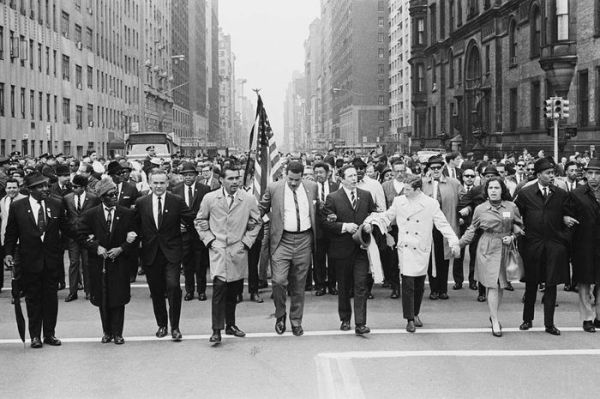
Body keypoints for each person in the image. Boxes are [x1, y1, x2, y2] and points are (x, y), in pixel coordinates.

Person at [195, 165, 262, 344]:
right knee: (219, 288)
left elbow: (257, 222)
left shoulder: (248, 199)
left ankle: (230, 325)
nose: (235, 182)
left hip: (237, 250)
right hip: (217, 250)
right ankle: (216, 329)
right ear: (221, 180)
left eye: (237, 178)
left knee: (234, 290)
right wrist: (209, 240)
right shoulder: (210, 198)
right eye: (231, 179)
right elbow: (200, 220)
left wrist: (246, 242)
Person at [385, 175, 460, 332]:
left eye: (407, 189)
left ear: (418, 189)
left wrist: (453, 241)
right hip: (405, 248)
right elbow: (387, 217)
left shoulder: (431, 204)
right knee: (407, 283)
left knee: (419, 285)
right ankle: (409, 318)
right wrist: (374, 221)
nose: (404, 192)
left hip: (421, 248)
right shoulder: (399, 201)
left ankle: (416, 313)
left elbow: (442, 224)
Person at [4, 173, 67, 348]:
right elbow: (11, 233)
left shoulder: (56, 204)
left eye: (46, 185)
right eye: (40, 187)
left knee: (50, 299)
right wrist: (8, 253)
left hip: (51, 261)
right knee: (33, 299)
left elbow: (67, 229)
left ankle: (49, 334)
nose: (45, 189)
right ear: (31, 190)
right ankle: (35, 336)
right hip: (29, 261)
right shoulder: (18, 207)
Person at [134, 169, 195, 341]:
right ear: (150, 184)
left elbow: (191, 218)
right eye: (155, 183)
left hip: (172, 252)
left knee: (174, 287)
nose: (159, 186)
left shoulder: (176, 201)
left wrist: (186, 230)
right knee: (156, 291)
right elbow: (135, 224)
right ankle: (162, 325)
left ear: (167, 184)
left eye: (162, 183)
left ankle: (175, 327)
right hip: (151, 253)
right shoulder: (141, 202)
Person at [259, 161, 319, 336]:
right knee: (278, 281)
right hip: (281, 240)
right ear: (285, 174)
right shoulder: (274, 188)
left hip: (304, 240)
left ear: (302, 177)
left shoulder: (312, 187)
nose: (293, 183)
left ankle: (296, 321)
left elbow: (319, 209)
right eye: (291, 179)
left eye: (297, 180)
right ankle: (280, 314)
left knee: (299, 285)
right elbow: (262, 208)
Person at [459, 177, 524, 337]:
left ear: (502, 190)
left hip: (504, 247)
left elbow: (519, 226)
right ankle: (495, 320)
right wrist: (458, 244)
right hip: (486, 247)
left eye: (497, 188)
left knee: (500, 284)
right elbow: (472, 229)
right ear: (486, 191)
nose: (493, 191)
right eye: (490, 188)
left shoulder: (511, 206)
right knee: (492, 284)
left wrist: (513, 237)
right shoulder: (480, 209)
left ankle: (493, 314)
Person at [515, 158, 571, 336]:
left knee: (551, 285)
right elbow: (515, 213)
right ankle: (527, 319)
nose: (551, 176)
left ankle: (549, 323)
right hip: (533, 245)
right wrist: (516, 228)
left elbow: (568, 216)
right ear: (538, 175)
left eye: (553, 173)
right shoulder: (526, 194)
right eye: (548, 173)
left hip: (554, 246)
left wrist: (563, 241)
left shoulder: (561, 194)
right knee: (531, 284)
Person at [78, 177, 138, 344]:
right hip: (99, 263)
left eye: (115, 194)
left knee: (118, 298)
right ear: (102, 197)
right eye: (110, 195)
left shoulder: (126, 213)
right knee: (103, 297)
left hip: (120, 263)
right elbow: (81, 234)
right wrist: (96, 247)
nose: (114, 197)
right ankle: (107, 332)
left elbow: (135, 235)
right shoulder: (91, 214)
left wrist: (122, 248)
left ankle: (118, 333)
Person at [322, 165, 378, 335]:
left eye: (356, 175)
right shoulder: (332, 198)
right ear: (342, 178)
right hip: (341, 248)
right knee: (344, 286)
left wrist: (370, 224)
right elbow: (326, 222)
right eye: (350, 176)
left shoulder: (366, 195)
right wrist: (344, 226)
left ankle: (360, 323)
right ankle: (345, 318)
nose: (354, 178)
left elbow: (374, 214)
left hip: (361, 248)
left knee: (361, 285)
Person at [565, 159, 600, 332]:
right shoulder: (577, 194)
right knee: (585, 281)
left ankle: (599, 315)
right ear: (585, 174)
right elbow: (566, 215)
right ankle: (587, 318)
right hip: (584, 244)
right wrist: (565, 218)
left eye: (597, 173)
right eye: (590, 173)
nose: (594, 177)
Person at [422, 156, 463, 300]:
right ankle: (433, 289)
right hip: (428, 227)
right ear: (429, 169)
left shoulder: (454, 183)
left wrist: (464, 213)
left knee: (444, 258)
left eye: (438, 168)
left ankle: (443, 289)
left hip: (446, 225)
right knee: (430, 257)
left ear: (442, 168)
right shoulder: (423, 184)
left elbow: (464, 200)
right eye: (432, 168)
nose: (435, 170)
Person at [171, 162, 211, 301]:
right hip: (183, 232)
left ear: (196, 175)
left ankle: (201, 290)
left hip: (200, 232)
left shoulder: (205, 189)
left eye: (191, 174)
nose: (188, 177)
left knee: (201, 263)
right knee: (187, 263)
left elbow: (209, 209)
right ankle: (189, 290)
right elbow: (173, 210)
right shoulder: (176, 190)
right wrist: (178, 224)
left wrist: (206, 226)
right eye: (185, 175)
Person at [63, 175, 100, 302]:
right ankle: (72, 292)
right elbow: (66, 216)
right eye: (72, 186)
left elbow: (96, 215)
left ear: (83, 187)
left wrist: (93, 234)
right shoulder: (67, 198)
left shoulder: (93, 198)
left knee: (87, 263)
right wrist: (69, 230)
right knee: (73, 263)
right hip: (73, 236)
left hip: (87, 235)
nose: (74, 189)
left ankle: (89, 291)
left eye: (76, 187)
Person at [312, 161, 339, 296]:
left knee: (333, 258)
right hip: (317, 228)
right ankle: (320, 285)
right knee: (319, 258)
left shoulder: (336, 186)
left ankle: (333, 285)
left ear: (328, 174)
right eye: (316, 173)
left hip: (333, 228)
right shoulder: (311, 188)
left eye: (321, 172)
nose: (318, 175)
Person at [0, 179, 26, 292]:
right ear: (5, 189)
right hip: (6, 238)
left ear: (19, 188)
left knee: (19, 265)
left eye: (14, 187)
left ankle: (18, 290)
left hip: (21, 238)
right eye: (9, 188)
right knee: (12, 264)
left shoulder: (25, 200)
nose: (11, 190)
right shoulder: (3, 201)